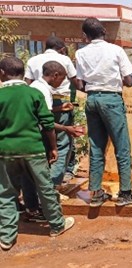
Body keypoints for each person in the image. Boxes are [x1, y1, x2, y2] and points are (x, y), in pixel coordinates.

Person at [0, 57, 75, 251]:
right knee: (45, 187)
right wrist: (53, 147)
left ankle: (7, 236)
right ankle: (57, 225)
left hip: (6, 151)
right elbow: (48, 124)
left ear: (2, 73)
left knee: (7, 193)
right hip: (33, 149)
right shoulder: (33, 93)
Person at [75, 17, 132, 207]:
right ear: (104, 31)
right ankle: (125, 193)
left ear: (85, 36)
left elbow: (79, 83)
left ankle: (96, 193)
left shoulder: (81, 53)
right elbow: (129, 81)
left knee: (96, 146)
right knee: (122, 147)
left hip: (92, 100)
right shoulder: (115, 50)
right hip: (111, 100)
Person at [24, 61, 84, 222]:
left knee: (28, 176)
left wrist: (59, 108)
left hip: (28, 136)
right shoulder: (42, 90)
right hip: (36, 136)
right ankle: (47, 215)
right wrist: (63, 134)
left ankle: (32, 208)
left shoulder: (36, 86)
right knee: (41, 174)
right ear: (55, 75)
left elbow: (42, 111)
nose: (62, 83)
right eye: (62, 79)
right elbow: (46, 122)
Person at [24, 36, 79, 191]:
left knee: (43, 143)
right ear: (62, 48)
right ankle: (52, 186)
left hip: (37, 104)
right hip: (59, 103)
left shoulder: (33, 60)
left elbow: (27, 85)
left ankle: (40, 185)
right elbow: (76, 82)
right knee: (61, 146)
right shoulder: (64, 60)